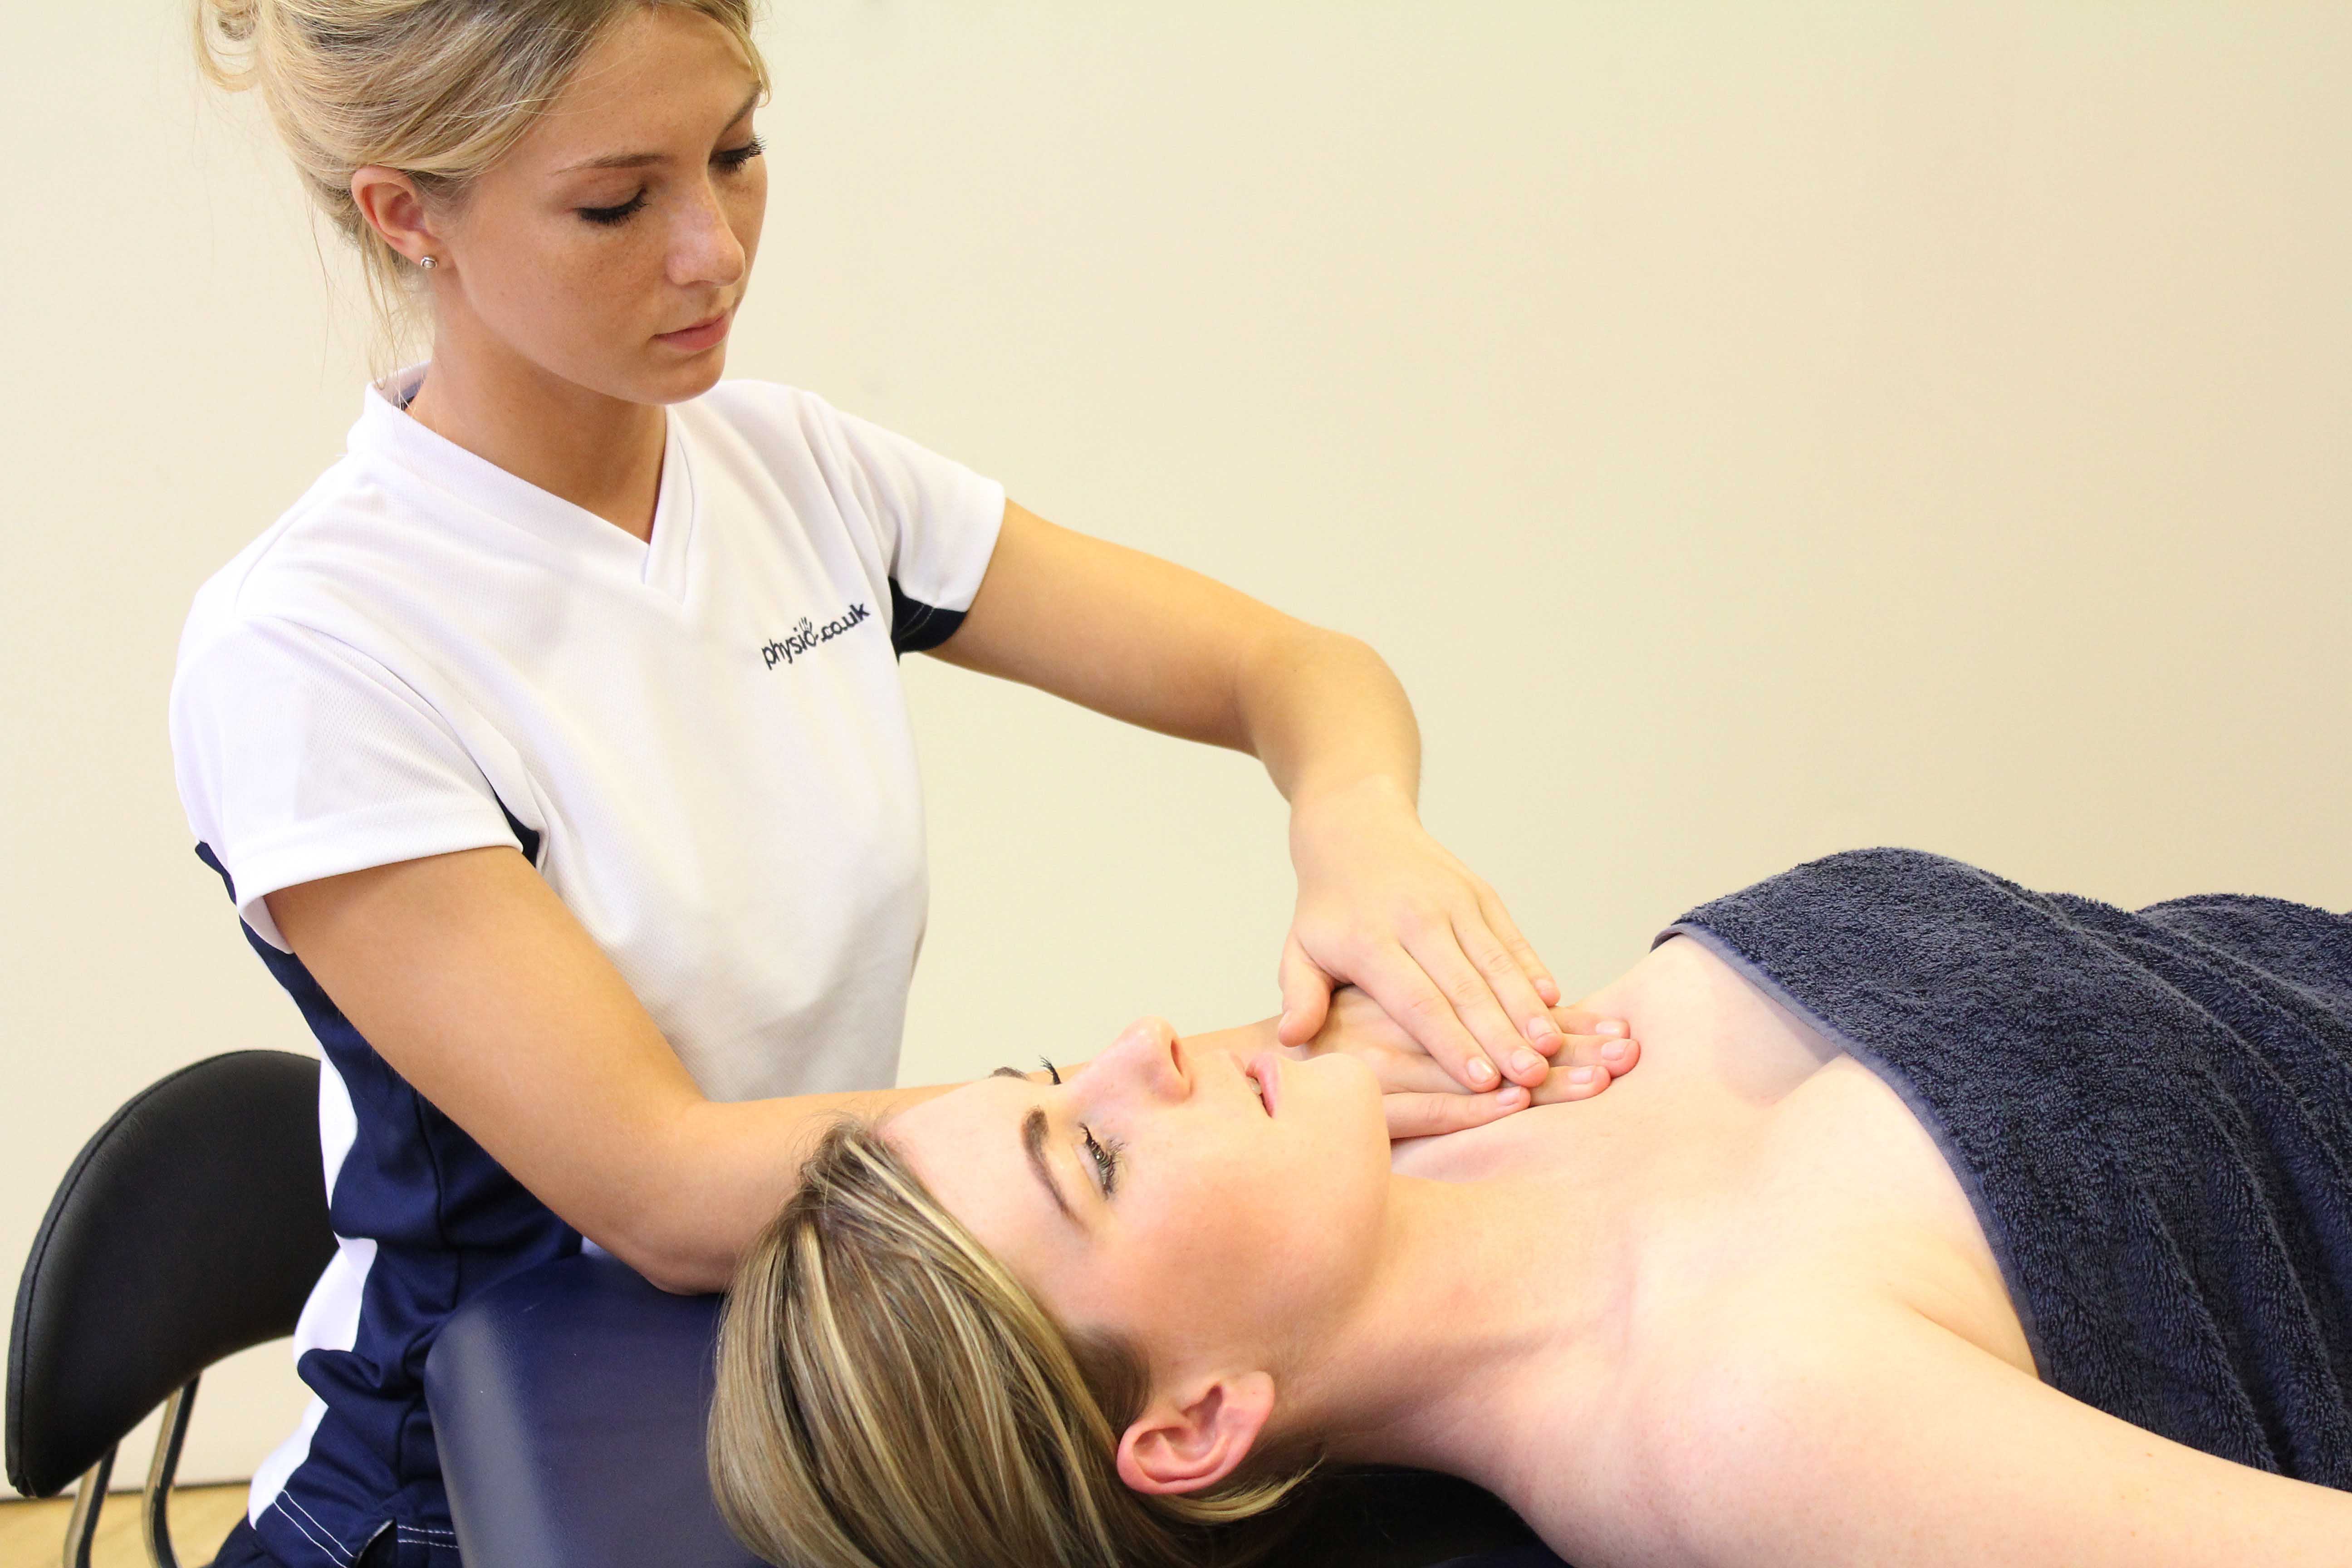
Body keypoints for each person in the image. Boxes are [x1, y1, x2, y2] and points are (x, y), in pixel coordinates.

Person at [172, 4, 1639, 1565]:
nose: (713, 250)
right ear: (410, 214)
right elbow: (664, 1188)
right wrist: (1250, 1090)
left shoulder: (796, 473)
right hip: (473, 1470)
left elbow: (1292, 669)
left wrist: (1359, 826)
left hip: (845, 1377)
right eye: (619, 201)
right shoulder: (317, 647)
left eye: (736, 153)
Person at [709, 848, 2352, 1568]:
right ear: (1198, 1423)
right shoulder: (1743, 1421)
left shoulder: (1448, 1093)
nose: (1148, 1050)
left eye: (1062, 1077)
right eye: (1100, 1160)